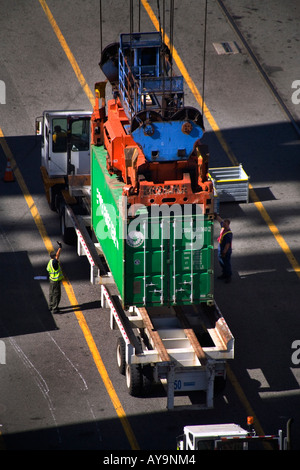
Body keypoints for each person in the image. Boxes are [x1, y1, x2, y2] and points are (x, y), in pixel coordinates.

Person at [215, 214, 233, 283]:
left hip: (225, 251)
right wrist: (216, 216)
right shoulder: (223, 227)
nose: (223, 224)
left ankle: (228, 276)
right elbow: (220, 221)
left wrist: (224, 252)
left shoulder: (228, 234)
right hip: (220, 248)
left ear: (228, 225)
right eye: (224, 223)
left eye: (225, 224)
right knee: (221, 262)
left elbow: (227, 245)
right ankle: (224, 274)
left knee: (226, 263)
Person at [47, 242, 63, 313]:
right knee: (56, 295)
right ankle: (55, 309)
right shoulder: (54, 263)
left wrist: (60, 248)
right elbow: (57, 256)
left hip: (51, 280)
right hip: (56, 281)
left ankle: (50, 306)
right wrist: (60, 247)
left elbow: (57, 256)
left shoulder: (50, 262)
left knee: (51, 293)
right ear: (54, 257)